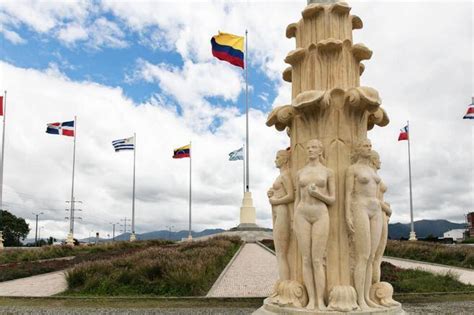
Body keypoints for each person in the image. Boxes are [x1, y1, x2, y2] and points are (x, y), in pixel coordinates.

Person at [294, 139, 335, 310]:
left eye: (314, 147)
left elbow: (332, 199)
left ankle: (320, 300)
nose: (310, 150)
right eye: (308, 147)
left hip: (320, 213)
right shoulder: (300, 172)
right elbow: (297, 199)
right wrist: (292, 219)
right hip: (302, 213)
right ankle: (311, 300)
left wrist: (318, 194)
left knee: (317, 260)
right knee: (306, 259)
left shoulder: (328, 172)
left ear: (320, 151)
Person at [345, 139, 383, 309]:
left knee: (371, 257)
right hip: (360, 207)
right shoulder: (352, 169)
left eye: (370, 146)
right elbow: (347, 194)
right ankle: (359, 298)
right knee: (363, 255)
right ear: (358, 149)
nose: (369, 148)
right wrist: (347, 215)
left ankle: (367, 297)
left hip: (376, 211)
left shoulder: (371, 169)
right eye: (365, 146)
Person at [268, 149, 294, 281]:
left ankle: (285, 283)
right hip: (278, 212)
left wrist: (276, 201)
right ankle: (284, 282)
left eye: (278, 157)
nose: (275, 160)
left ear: (285, 159)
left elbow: (291, 196)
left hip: (283, 212)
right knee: (280, 254)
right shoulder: (281, 175)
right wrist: (272, 194)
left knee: (281, 253)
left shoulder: (285, 175)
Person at [370, 150, 391, 284]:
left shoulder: (374, 176)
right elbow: (373, 200)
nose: (380, 162)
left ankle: (374, 286)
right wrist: (387, 208)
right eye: (378, 159)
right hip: (376, 212)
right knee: (373, 257)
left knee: (377, 257)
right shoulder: (369, 178)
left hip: (381, 215)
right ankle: (372, 286)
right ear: (373, 160)